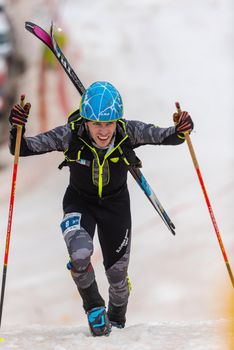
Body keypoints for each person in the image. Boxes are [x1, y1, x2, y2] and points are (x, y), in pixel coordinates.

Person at [9, 81, 193, 336]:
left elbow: (168, 136)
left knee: (117, 280)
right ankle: (94, 307)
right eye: (97, 124)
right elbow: (23, 148)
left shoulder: (128, 131)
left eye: (108, 124)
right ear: (86, 122)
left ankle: (117, 313)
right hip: (79, 202)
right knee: (80, 254)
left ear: (117, 121)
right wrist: (17, 129)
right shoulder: (71, 134)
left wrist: (182, 128)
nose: (103, 131)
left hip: (115, 207)